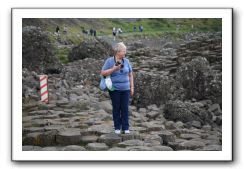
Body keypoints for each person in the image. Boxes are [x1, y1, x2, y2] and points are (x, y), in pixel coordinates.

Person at [100, 42, 134, 134]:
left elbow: (130, 74)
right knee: (116, 108)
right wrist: (113, 69)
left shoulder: (126, 61)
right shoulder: (110, 61)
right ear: (118, 52)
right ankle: (117, 128)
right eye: (124, 51)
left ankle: (126, 128)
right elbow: (103, 73)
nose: (125, 53)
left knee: (125, 108)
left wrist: (132, 87)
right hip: (114, 89)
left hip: (126, 89)